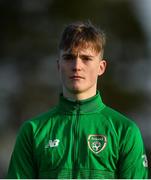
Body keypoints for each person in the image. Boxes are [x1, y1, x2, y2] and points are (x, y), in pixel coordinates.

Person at [7, 21, 148, 179]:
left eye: (86, 58)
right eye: (69, 57)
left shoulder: (125, 131)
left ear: (101, 67)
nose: (76, 66)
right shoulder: (32, 131)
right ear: (58, 65)